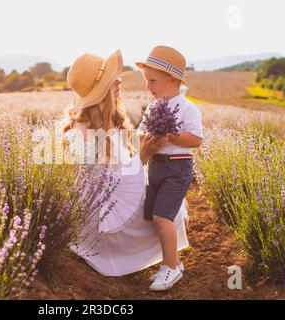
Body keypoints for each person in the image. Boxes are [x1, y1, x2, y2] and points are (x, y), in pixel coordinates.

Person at [63, 49, 190, 282]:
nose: (119, 81)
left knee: (168, 197)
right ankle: (170, 263)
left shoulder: (108, 119)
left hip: (118, 200)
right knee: (169, 209)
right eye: (112, 80)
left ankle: (171, 260)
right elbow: (108, 190)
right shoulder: (80, 137)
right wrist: (143, 156)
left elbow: (121, 174)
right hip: (107, 224)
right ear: (100, 93)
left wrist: (144, 153)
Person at [136, 45, 204, 290]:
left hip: (177, 168)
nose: (148, 87)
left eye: (152, 81)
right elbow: (141, 132)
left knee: (162, 217)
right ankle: (172, 261)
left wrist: (170, 134)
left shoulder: (186, 107)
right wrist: (145, 138)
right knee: (154, 217)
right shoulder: (154, 107)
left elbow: (196, 140)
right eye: (146, 81)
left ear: (172, 79)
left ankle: (170, 268)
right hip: (155, 166)